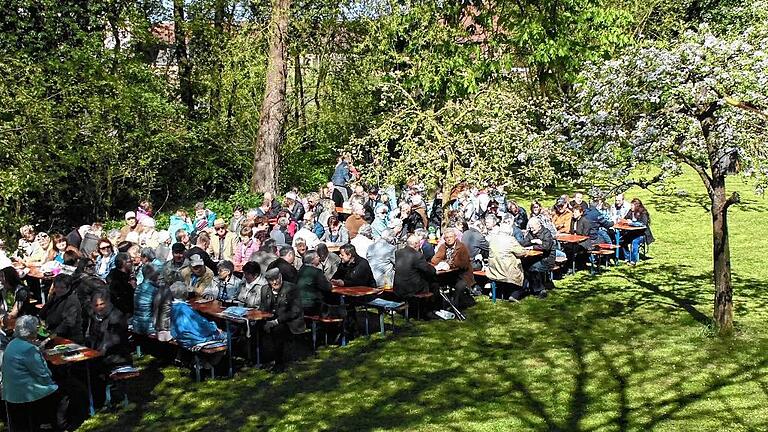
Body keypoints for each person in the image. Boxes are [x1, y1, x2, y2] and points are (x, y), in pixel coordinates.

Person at [2, 315, 68, 432]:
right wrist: (52, 384)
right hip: (25, 393)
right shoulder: (29, 349)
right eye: (36, 328)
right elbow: (42, 375)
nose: (38, 330)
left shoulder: (13, 344)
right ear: (31, 331)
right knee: (64, 391)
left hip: (11, 391)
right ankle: (59, 425)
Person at [258, 269, 305, 370]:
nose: (275, 282)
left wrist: (275, 322)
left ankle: (279, 363)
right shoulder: (264, 289)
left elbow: (295, 311)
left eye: (276, 279)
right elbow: (263, 308)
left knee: (278, 330)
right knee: (254, 327)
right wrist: (264, 321)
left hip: (289, 322)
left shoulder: (292, 289)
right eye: (271, 280)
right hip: (271, 320)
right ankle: (260, 359)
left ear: (281, 277)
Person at [86, 290, 133, 371]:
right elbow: (91, 336)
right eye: (96, 305)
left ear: (108, 302)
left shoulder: (116, 317)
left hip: (116, 357)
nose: (99, 308)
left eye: (102, 304)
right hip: (98, 354)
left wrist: (100, 350)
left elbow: (114, 340)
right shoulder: (94, 317)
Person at [169, 282, 225, 348]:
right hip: (191, 340)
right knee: (226, 335)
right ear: (185, 294)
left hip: (178, 336)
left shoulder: (171, 306)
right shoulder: (186, 309)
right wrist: (214, 328)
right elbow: (201, 324)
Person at [430, 228, 474, 306]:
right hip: (449, 274)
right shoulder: (443, 246)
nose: (449, 239)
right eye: (447, 237)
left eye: (451, 237)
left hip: (463, 275)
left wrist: (449, 264)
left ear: (455, 237)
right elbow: (434, 259)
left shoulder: (462, 247)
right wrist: (443, 263)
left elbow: (463, 264)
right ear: (444, 239)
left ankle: (455, 306)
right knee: (434, 283)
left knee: (459, 287)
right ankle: (438, 305)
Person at [487, 220, 527, 300]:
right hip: (506, 270)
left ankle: (496, 293)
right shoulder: (510, 240)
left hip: (494, 269)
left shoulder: (493, 239)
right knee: (524, 273)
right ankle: (514, 294)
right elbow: (521, 252)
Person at [39, 274, 84, 343]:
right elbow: (44, 311)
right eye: (56, 287)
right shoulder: (56, 296)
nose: (58, 290)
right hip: (52, 331)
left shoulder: (71, 301)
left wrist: (52, 336)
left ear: (68, 288)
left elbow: (68, 323)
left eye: (62, 288)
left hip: (69, 337)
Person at [519, 218, 555, 298]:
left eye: (533, 227)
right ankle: (524, 289)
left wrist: (532, 246)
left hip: (547, 259)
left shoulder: (546, 233)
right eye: (530, 227)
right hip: (534, 258)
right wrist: (532, 241)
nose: (531, 229)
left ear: (539, 225)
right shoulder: (531, 233)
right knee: (524, 266)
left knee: (533, 268)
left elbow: (546, 247)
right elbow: (523, 243)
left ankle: (540, 290)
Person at [621, 198, 655, 265]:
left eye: (632, 205)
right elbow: (625, 218)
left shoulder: (643, 213)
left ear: (636, 206)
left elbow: (643, 224)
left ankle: (633, 260)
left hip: (642, 234)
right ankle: (627, 257)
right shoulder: (630, 211)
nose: (631, 207)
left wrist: (632, 223)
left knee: (635, 242)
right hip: (632, 233)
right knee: (622, 241)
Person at [132, 265, 159, 335]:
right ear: (153, 275)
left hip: (136, 324)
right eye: (157, 274)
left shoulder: (138, 288)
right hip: (150, 327)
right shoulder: (155, 290)